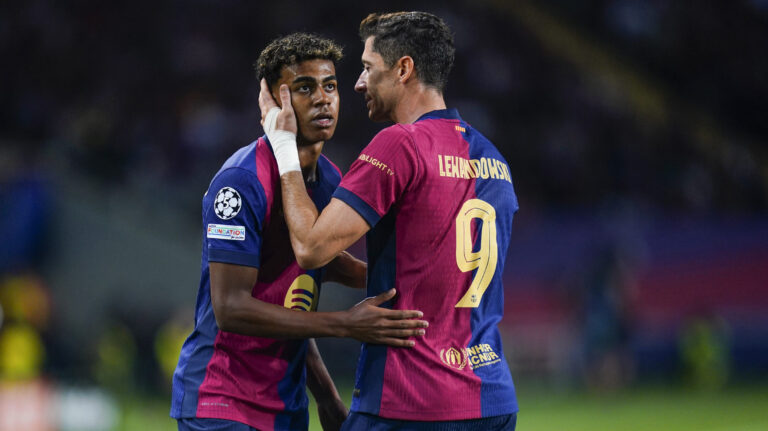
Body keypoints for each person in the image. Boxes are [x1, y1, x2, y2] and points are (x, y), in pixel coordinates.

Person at [260, 11, 520, 431]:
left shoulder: (401, 144)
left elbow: (310, 247)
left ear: (403, 69)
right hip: (492, 401)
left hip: (411, 401)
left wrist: (284, 147)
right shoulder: (493, 158)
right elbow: (438, 264)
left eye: (367, 68)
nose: (359, 83)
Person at [171, 33, 428, 431]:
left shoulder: (329, 180)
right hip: (222, 403)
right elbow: (231, 308)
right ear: (275, 102)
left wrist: (325, 397)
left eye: (330, 86)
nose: (323, 99)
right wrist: (345, 323)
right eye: (305, 88)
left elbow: (295, 299)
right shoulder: (241, 181)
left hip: (286, 408)